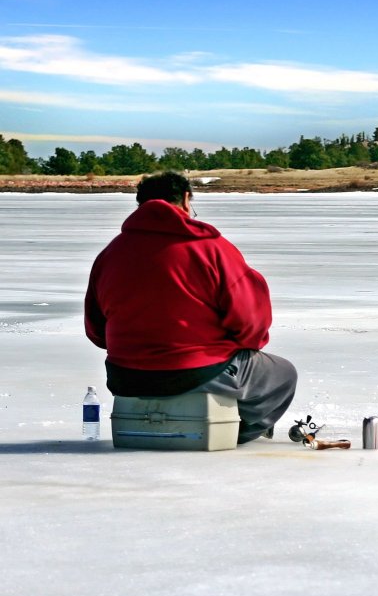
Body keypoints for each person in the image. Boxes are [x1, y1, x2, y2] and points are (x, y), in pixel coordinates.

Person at [84, 171, 296, 444]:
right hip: (197, 370)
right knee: (283, 374)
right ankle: (234, 434)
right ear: (186, 199)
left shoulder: (110, 254)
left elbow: (96, 331)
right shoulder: (212, 249)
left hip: (126, 376)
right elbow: (250, 323)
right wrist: (241, 345)